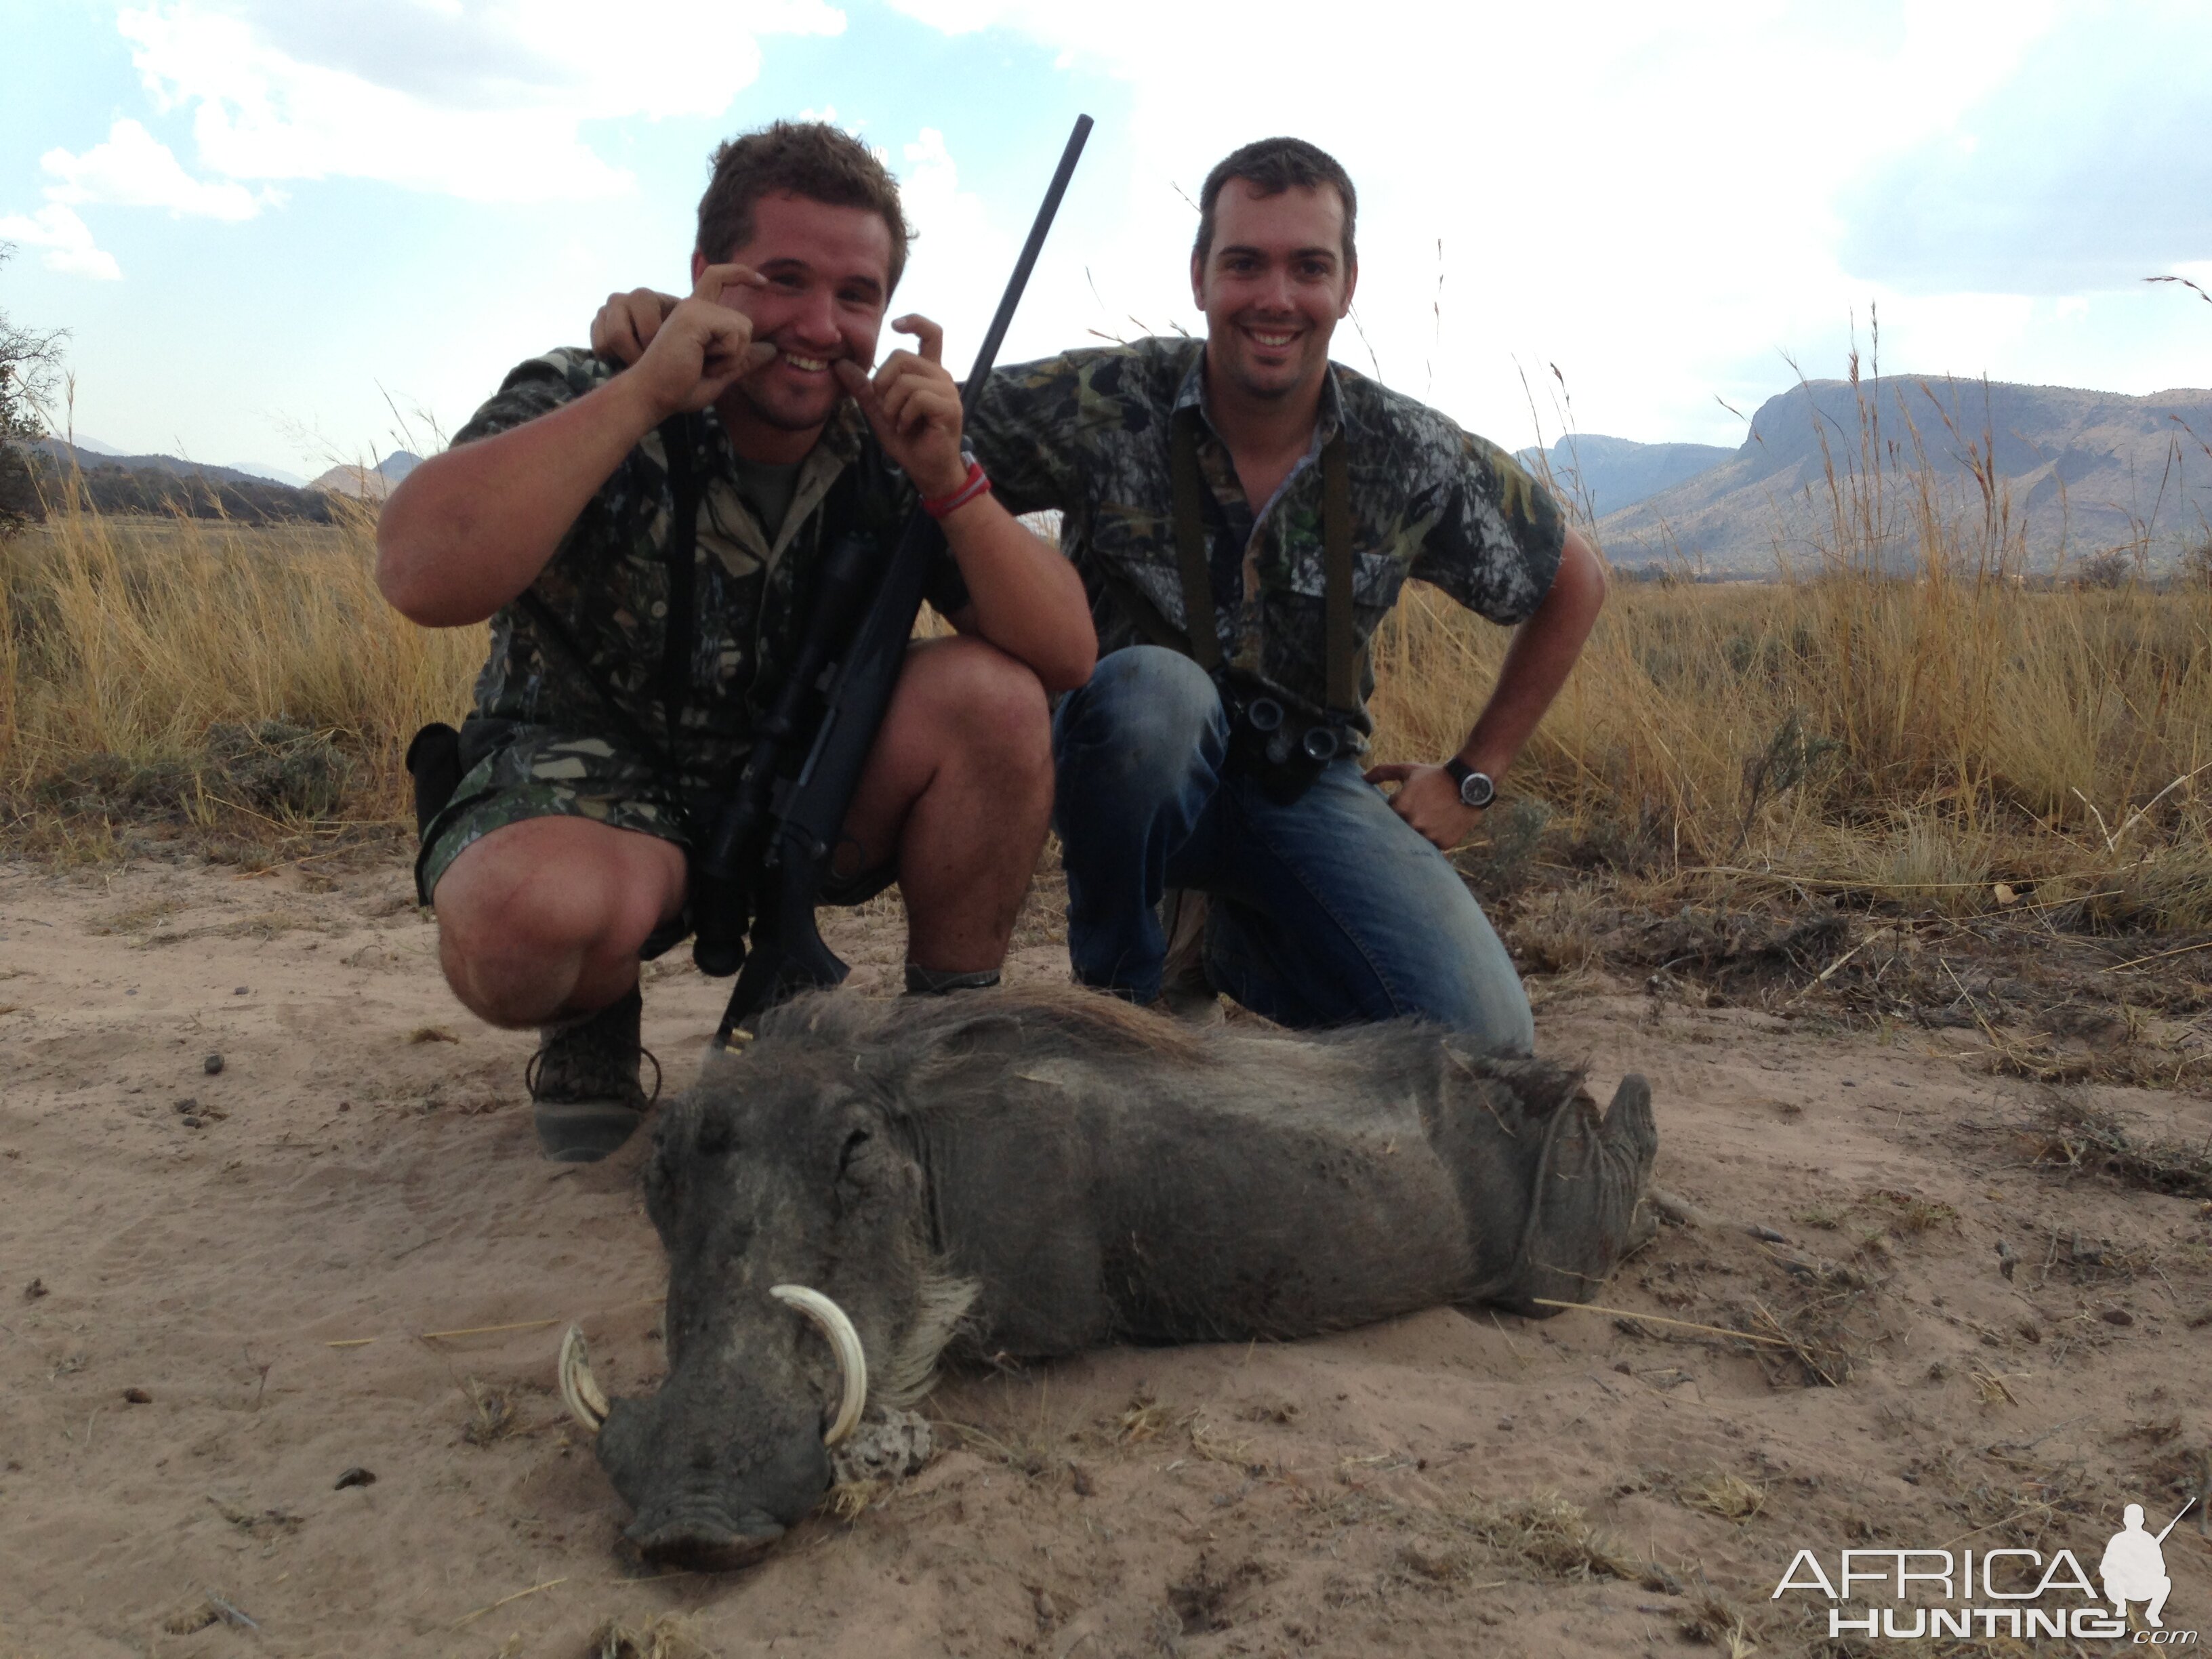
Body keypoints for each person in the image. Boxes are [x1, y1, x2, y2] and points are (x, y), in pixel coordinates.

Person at [592, 136, 1603, 1052]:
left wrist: (1474, 778)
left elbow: (1574, 581)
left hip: (1307, 787)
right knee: (1155, 697)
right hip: (1121, 759)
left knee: (1489, 1042)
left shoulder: (1412, 450)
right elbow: (871, 419)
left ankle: (1232, 944)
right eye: (1244, 262)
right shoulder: (1102, 400)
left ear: (1347, 286)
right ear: (1200, 276)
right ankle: (1122, 1007)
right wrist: (679, 334)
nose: (1276, 297)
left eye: (1309, 266)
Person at [378, 121, 1096, 1162]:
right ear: (706, 277)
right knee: (516, 929)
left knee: (997, 696)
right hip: (596, 794)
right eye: (783, 280)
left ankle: (950, 1043)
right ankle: (594, 1007)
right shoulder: (596, 384)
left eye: (856, 297)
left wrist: (951, 482)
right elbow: (418, 572)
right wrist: (640, 397)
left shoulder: (892, 443)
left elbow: (1067, 654)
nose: (818, 325)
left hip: (800, 787)